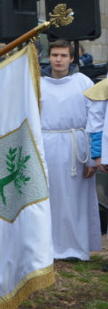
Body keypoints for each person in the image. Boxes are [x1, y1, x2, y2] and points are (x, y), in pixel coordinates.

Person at [41, 40, 100, 260]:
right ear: (49, 56)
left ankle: (75, 247)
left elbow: (93, 118)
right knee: (50, 197)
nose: (58, 60)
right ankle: (49, 246)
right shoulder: (39, 83)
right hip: (47, 143)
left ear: (72, 58)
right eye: (55, 55)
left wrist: (92, 157)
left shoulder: (82, 82)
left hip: (75, 145)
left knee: (74, 199)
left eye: (63, 56)